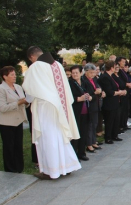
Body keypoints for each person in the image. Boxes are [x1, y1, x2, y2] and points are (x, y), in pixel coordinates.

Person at [22, 47, 81, 179]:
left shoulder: (36, 67)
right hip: (60, 105)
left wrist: (27, 101)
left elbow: (30, 90)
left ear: (31, 57)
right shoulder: (57, 64)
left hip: (45, 107)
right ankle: (67, 166)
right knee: (60, 135)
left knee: (48, 138)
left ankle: (51, 171)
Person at [0, 66, 29, 173]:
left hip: (19, 120)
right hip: (7, 122)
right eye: (12, 75)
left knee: (18, 145)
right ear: (5, 76)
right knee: (9, 146)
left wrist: (26, 102)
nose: (14, 76)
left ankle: (19, 167)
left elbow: (24, 102)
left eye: (15, 74)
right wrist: (18, 103)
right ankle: (10, 169)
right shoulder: (1, 89)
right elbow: (3, 108)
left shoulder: (18, 87)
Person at [99, 61, 125, 144]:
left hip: (115, 101)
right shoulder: (105, 77)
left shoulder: (111, 76)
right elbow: (109, 91)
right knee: (109, 120)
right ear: (111, 68)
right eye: (115, 67)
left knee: (116, 119)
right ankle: (108, 137)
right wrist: (119, 92)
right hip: (109, 102)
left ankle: (115, 135)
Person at [68, 65, 91, 161]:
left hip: (85, 110)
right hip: (76, 110)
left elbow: (90, 92)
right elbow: (68, 97)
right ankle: (74, 154)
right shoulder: (70, 83)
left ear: (81, 73)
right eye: (73, 73)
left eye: (76, 73)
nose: (75, 75)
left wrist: (89, 96)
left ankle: (82, 153)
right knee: (75, 133)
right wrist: (78, 99)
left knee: (83, 132)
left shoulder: (84, 82)